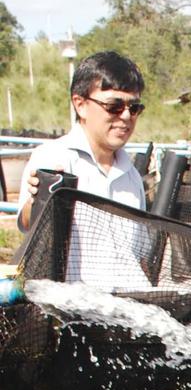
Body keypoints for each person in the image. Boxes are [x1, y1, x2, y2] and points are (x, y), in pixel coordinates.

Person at [16, 50, 152, 290]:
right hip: (74, 310)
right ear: (80, 105)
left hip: (128, 309)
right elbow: (28, 222)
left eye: (134, 107)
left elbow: (139, 257)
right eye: (114, 106)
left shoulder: (132, 176)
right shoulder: (53, 157)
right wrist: (42, 198)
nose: (126, 116)